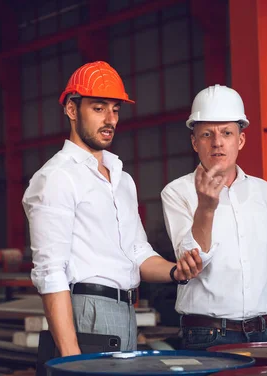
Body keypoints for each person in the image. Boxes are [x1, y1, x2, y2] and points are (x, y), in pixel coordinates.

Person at [22, 61, 203, 356]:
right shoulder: (56, 177)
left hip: (125, 312)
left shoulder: (122, 179)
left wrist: (176, 271)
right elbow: (50, 272)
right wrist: (71, 357)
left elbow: (137, 253)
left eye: (115, 109)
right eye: (98, 108)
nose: (110, 119)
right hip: (86, 311)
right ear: (71, 109)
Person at [160, 84, 267, 350]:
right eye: (207, 134)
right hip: (208, 335)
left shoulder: (264, 191)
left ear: (241, 140)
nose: (217, 142)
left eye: (226, 133)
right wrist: (206, 208)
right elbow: (190, 263)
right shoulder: (177, 193)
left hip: (266, 331)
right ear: (194, 142)